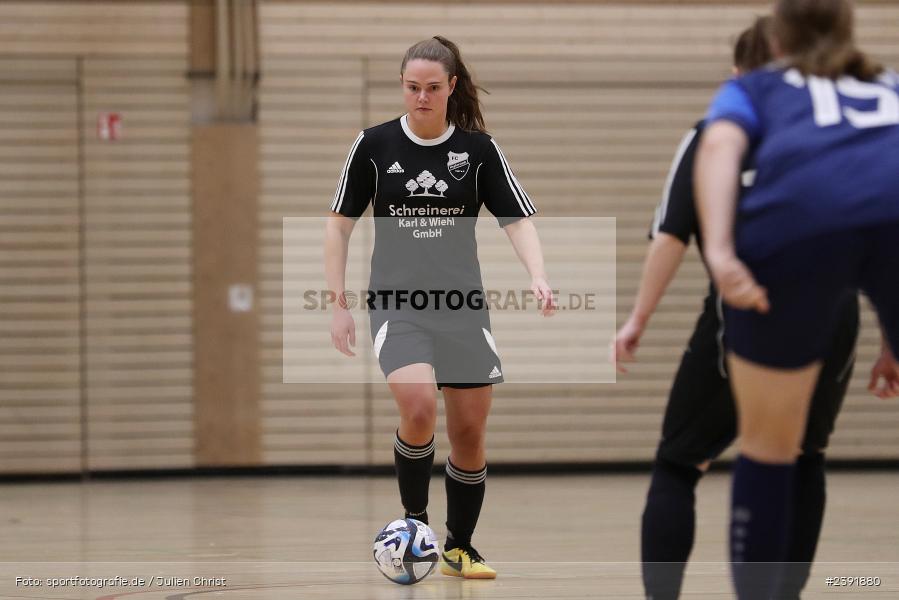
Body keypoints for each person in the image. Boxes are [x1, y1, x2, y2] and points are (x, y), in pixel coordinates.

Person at [614, 15, 860, 599]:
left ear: (737, 75)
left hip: (750, 318)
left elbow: (670, 236)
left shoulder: (712, 135)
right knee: (805, 456)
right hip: (836, 317)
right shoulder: (836, 136)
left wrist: (638, 319)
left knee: (678, 464)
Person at [324, 36, 554, 580]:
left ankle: (459, 548)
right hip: (397, 304)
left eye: (432, 88)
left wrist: (538, 274)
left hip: (463, 308)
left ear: (452, 86)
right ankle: (415, 525)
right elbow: (339, 227)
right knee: (419, 404)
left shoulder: (478, 151)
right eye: (412, 88)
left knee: (469, 431)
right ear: (402, 86)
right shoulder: (374, 145)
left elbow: (517, 220)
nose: (421, 97)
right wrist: (338, 303)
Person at [695, 1, 899, 597]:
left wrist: (721, 253)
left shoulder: (757, 87)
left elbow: (718, 148)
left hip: (797, 224)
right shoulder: (889, 85)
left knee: (769, 447)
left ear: (777, 41)